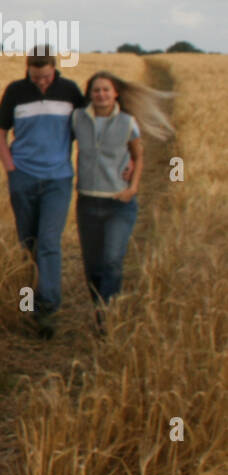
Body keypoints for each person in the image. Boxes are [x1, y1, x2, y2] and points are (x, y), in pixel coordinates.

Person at [0, 46, 84, 339]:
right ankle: (28, 304)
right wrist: (11, 168)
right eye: (35, 77)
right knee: (28, 244)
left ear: (54, 69)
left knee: (48, 242)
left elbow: (87, 128)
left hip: (58, 179)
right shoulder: (16, 91)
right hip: (23, 178)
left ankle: (48, 311)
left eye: (45, 77)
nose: (41, 82)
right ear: (27, 70)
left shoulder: (70, 91)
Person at [72, 70, 173, 333]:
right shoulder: (78, 118)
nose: (101, 94)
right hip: (87, 203)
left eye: (106, 90)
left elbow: (138, 155)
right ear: (89, 94)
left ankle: (107, 316)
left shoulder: (128, 122)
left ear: (116, 93)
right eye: (96, 90)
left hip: (119, 203)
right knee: (93, 266)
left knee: (112, 261)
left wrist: (133, 187)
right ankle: (100, 308)